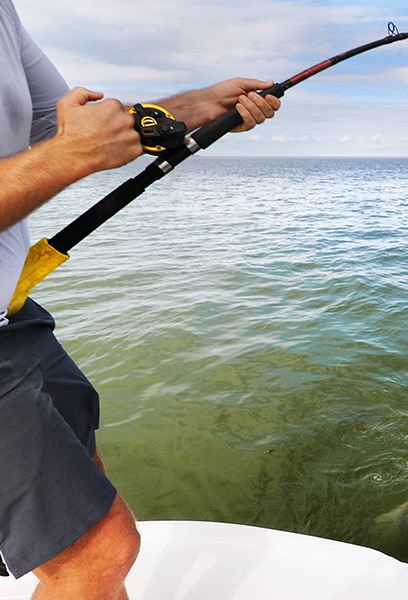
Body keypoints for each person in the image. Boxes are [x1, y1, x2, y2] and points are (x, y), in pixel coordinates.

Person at [0, 0, 280, 598]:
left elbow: (60, 125)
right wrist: (71, 158)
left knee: (87, 480)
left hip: (11, 315)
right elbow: (69, 147)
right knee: (99, 553)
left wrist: (198, 107)